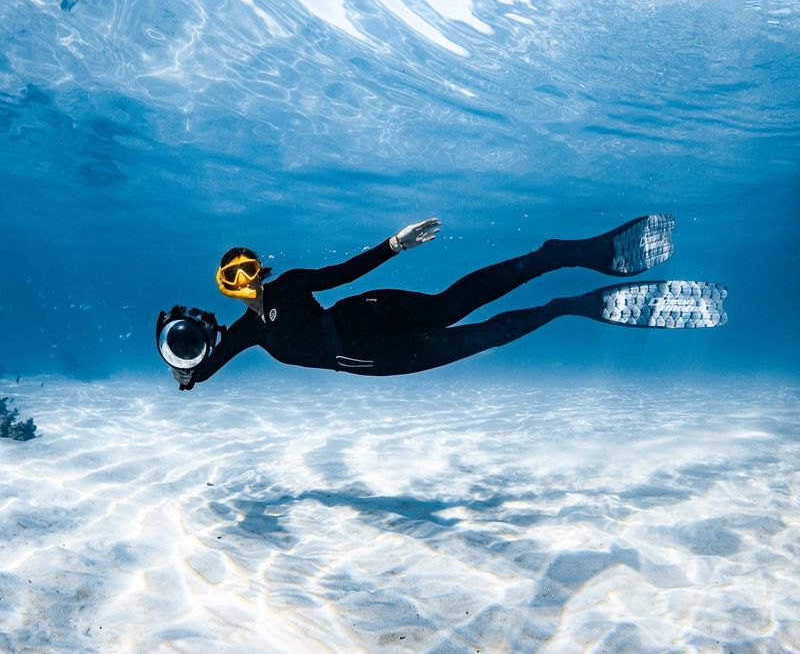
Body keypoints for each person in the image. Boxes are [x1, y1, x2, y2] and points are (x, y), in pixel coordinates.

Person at [165, 214, 727, 390]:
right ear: (226, 286)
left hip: (366, 317)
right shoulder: (244, 332)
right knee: (474, 336)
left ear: (259, 268)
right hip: (371, 352)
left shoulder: (289, 284)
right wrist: (181, 361)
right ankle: (567, 303)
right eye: (235, 272)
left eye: (249, 265)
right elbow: (200, 372)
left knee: (458, 309)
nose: (248, 276)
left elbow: (342, 271)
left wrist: (393, 245)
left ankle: (556, 256)